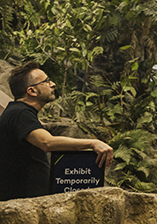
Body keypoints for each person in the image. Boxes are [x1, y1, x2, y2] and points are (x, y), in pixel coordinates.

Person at [0, 61, 113, 201]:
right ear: (32, 91)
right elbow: (47, 142)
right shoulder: (20, 113)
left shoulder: (19, 112)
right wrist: (93, 143)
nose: (53, 84)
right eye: (46, 81)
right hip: (18, 205)